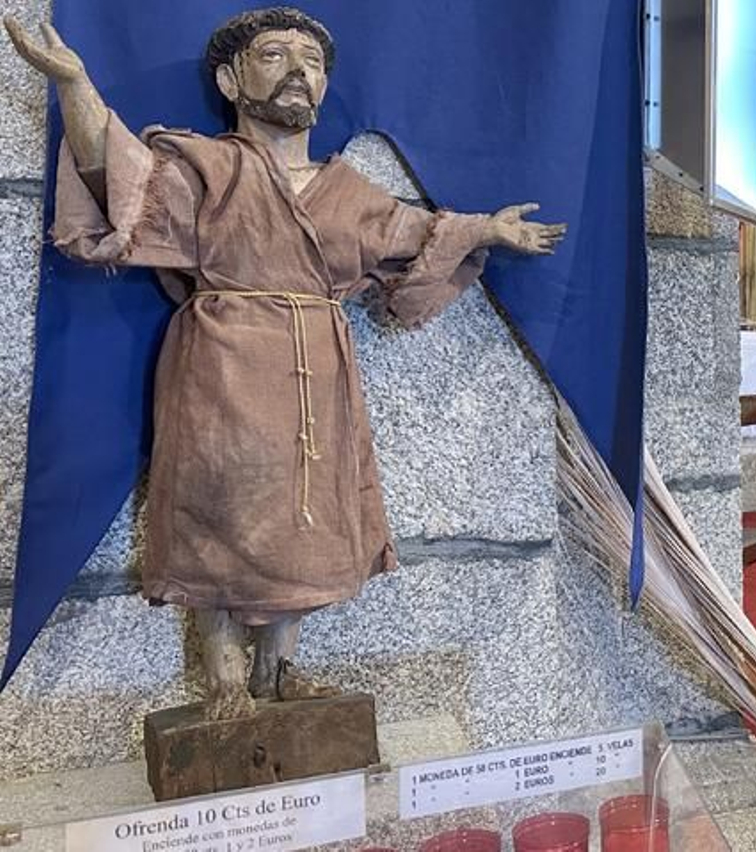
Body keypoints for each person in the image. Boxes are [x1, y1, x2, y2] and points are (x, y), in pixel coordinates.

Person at [4, 7, 566, 720]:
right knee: (219, 502)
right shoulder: (206, 167)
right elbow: (121, 181)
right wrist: (76, 84)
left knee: (309, 510)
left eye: (313, 60)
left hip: (318, 368)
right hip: (224, 363)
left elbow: (415, 233)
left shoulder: (347, 189)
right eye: (274, 54)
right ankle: (225, 681)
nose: (299, 69)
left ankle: (279, 670)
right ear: (231, 79)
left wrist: (487, 227)